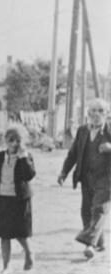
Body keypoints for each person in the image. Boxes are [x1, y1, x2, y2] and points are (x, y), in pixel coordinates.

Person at [57, 98, 111, 259]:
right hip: (86, 178)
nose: (96, 114)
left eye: (101, 111)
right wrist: (64, 172)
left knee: (99, 209)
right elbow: (73, 154)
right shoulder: (82, 131)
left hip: (106, 179)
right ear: (88, 113)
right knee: (86, 212)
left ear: (107, 114)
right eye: (93, 110)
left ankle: (90, 245)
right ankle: (99, 242)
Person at [0, 124, 36, 274]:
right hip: (3, 198)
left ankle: (29, 252)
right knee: (4, 234)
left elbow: (29, 175)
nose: (14, 144)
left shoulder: (26, 156)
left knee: (20, 233)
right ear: (5, 140)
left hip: (20, 199)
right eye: (11, 140)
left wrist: (23, 157)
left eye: (18, 140)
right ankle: (6, 266)